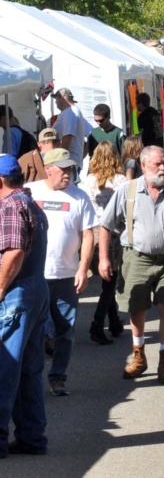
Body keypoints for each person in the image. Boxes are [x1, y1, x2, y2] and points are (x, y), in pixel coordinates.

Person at [98, 146, 164, 385]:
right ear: (143, 166)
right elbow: (105, 225)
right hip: (136, 258)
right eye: (157, 165)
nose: (163, 168)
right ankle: (139, 356)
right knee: (137, 308)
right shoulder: (127, 191)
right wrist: (103, 258)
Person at [26, 148, 97, 396]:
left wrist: (83, 268)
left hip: (66, 276)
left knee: (65, 330)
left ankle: (57, 377)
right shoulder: (30, 191)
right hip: (34, 275)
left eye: (70, 169)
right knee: (32, 330)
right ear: (48, 169)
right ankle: (30, 380)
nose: (68, 174)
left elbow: (88, 234)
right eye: (63, 169)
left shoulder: (80, 197)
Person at [0, 155, 49, 458]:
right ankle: (32, 437)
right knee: (28, 372)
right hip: (36, 290)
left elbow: (15, 252)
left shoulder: (9, 206)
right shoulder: (29, 202)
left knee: (4, 369)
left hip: (18, 293)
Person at [79, 142, 127, 345]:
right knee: (110, 283)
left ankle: (114, 321)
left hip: (92, 232)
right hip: (113, 233)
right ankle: (98, 324)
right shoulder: (121, 181)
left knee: (107, 281)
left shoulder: (87, 181)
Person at [52, 88, 87, 169]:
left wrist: (62, 159)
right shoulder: (72, 111)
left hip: (68, 163)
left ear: (62, 98)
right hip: (71, 161)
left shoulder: (70, 112)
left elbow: (68, 135)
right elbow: (91, 133)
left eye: (56, 98)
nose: (55, 102)